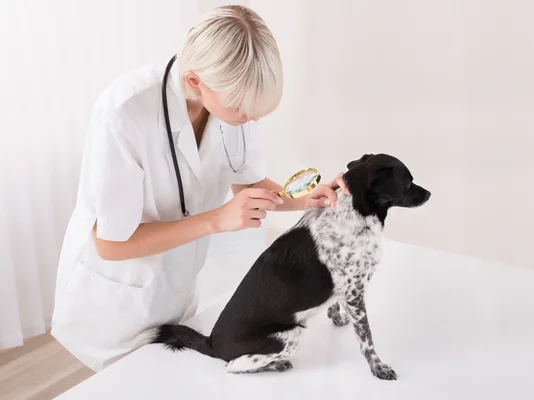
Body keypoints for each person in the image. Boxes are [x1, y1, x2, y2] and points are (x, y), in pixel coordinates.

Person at [50, 5, 348, 372]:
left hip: (175, 292)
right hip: (116, 302)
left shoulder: (230, 98)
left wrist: (303, 200)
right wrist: (216, 220)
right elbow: (110, 243)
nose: (250, 118)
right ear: (195, 81)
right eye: (242, 108)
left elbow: (248, 180)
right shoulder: (123, 113)